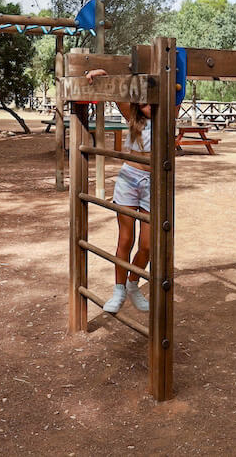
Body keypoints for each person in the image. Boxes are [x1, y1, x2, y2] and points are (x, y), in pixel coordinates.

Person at [84, 68, 152, 313]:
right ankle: (119, 290)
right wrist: (102, 73)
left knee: (147, 245)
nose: (148, 107)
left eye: (151, 102)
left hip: (154, 182)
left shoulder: (169, 116)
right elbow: (113, 90)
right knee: (126, 238)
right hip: (130, 178)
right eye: (143, 103)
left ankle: (134, 285)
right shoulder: (133, 118)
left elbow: (179, 83)